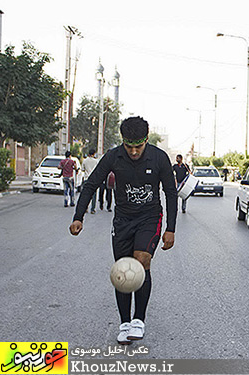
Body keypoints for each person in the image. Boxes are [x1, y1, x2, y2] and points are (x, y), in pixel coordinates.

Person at [69, 116, 178, 345]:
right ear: (123, 141)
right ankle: (125, 323)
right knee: (122, 270)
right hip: (123, 220)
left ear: (146, 140)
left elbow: (170, 191)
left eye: (138, 146)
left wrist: (171, 228)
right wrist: (78, 217)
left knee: (141, 260)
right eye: (129, 146)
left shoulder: (159, 158)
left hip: (150, 218)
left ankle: (139, 320)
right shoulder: (114, 156)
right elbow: (91, 184)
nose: (134, 151)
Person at [82, 149, 99, 214]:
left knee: (86, 195)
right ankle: (92, 209)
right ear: (94, 154)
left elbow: (82, 169)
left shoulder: (85, 160)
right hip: (94, 180)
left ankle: (85, 208)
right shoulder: (96, 161)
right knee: (94, 195)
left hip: (86, 178)